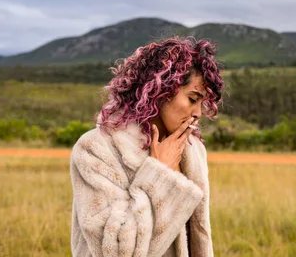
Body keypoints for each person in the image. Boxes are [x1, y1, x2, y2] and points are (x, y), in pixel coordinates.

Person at [69, 36, 225, 257]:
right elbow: (112, 251)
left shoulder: (193, 149)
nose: (198, 113)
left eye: (203, 103)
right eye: (192, 99)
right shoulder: (96, 148)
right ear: (161, 90)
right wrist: (160, 172)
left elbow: (198, 240)